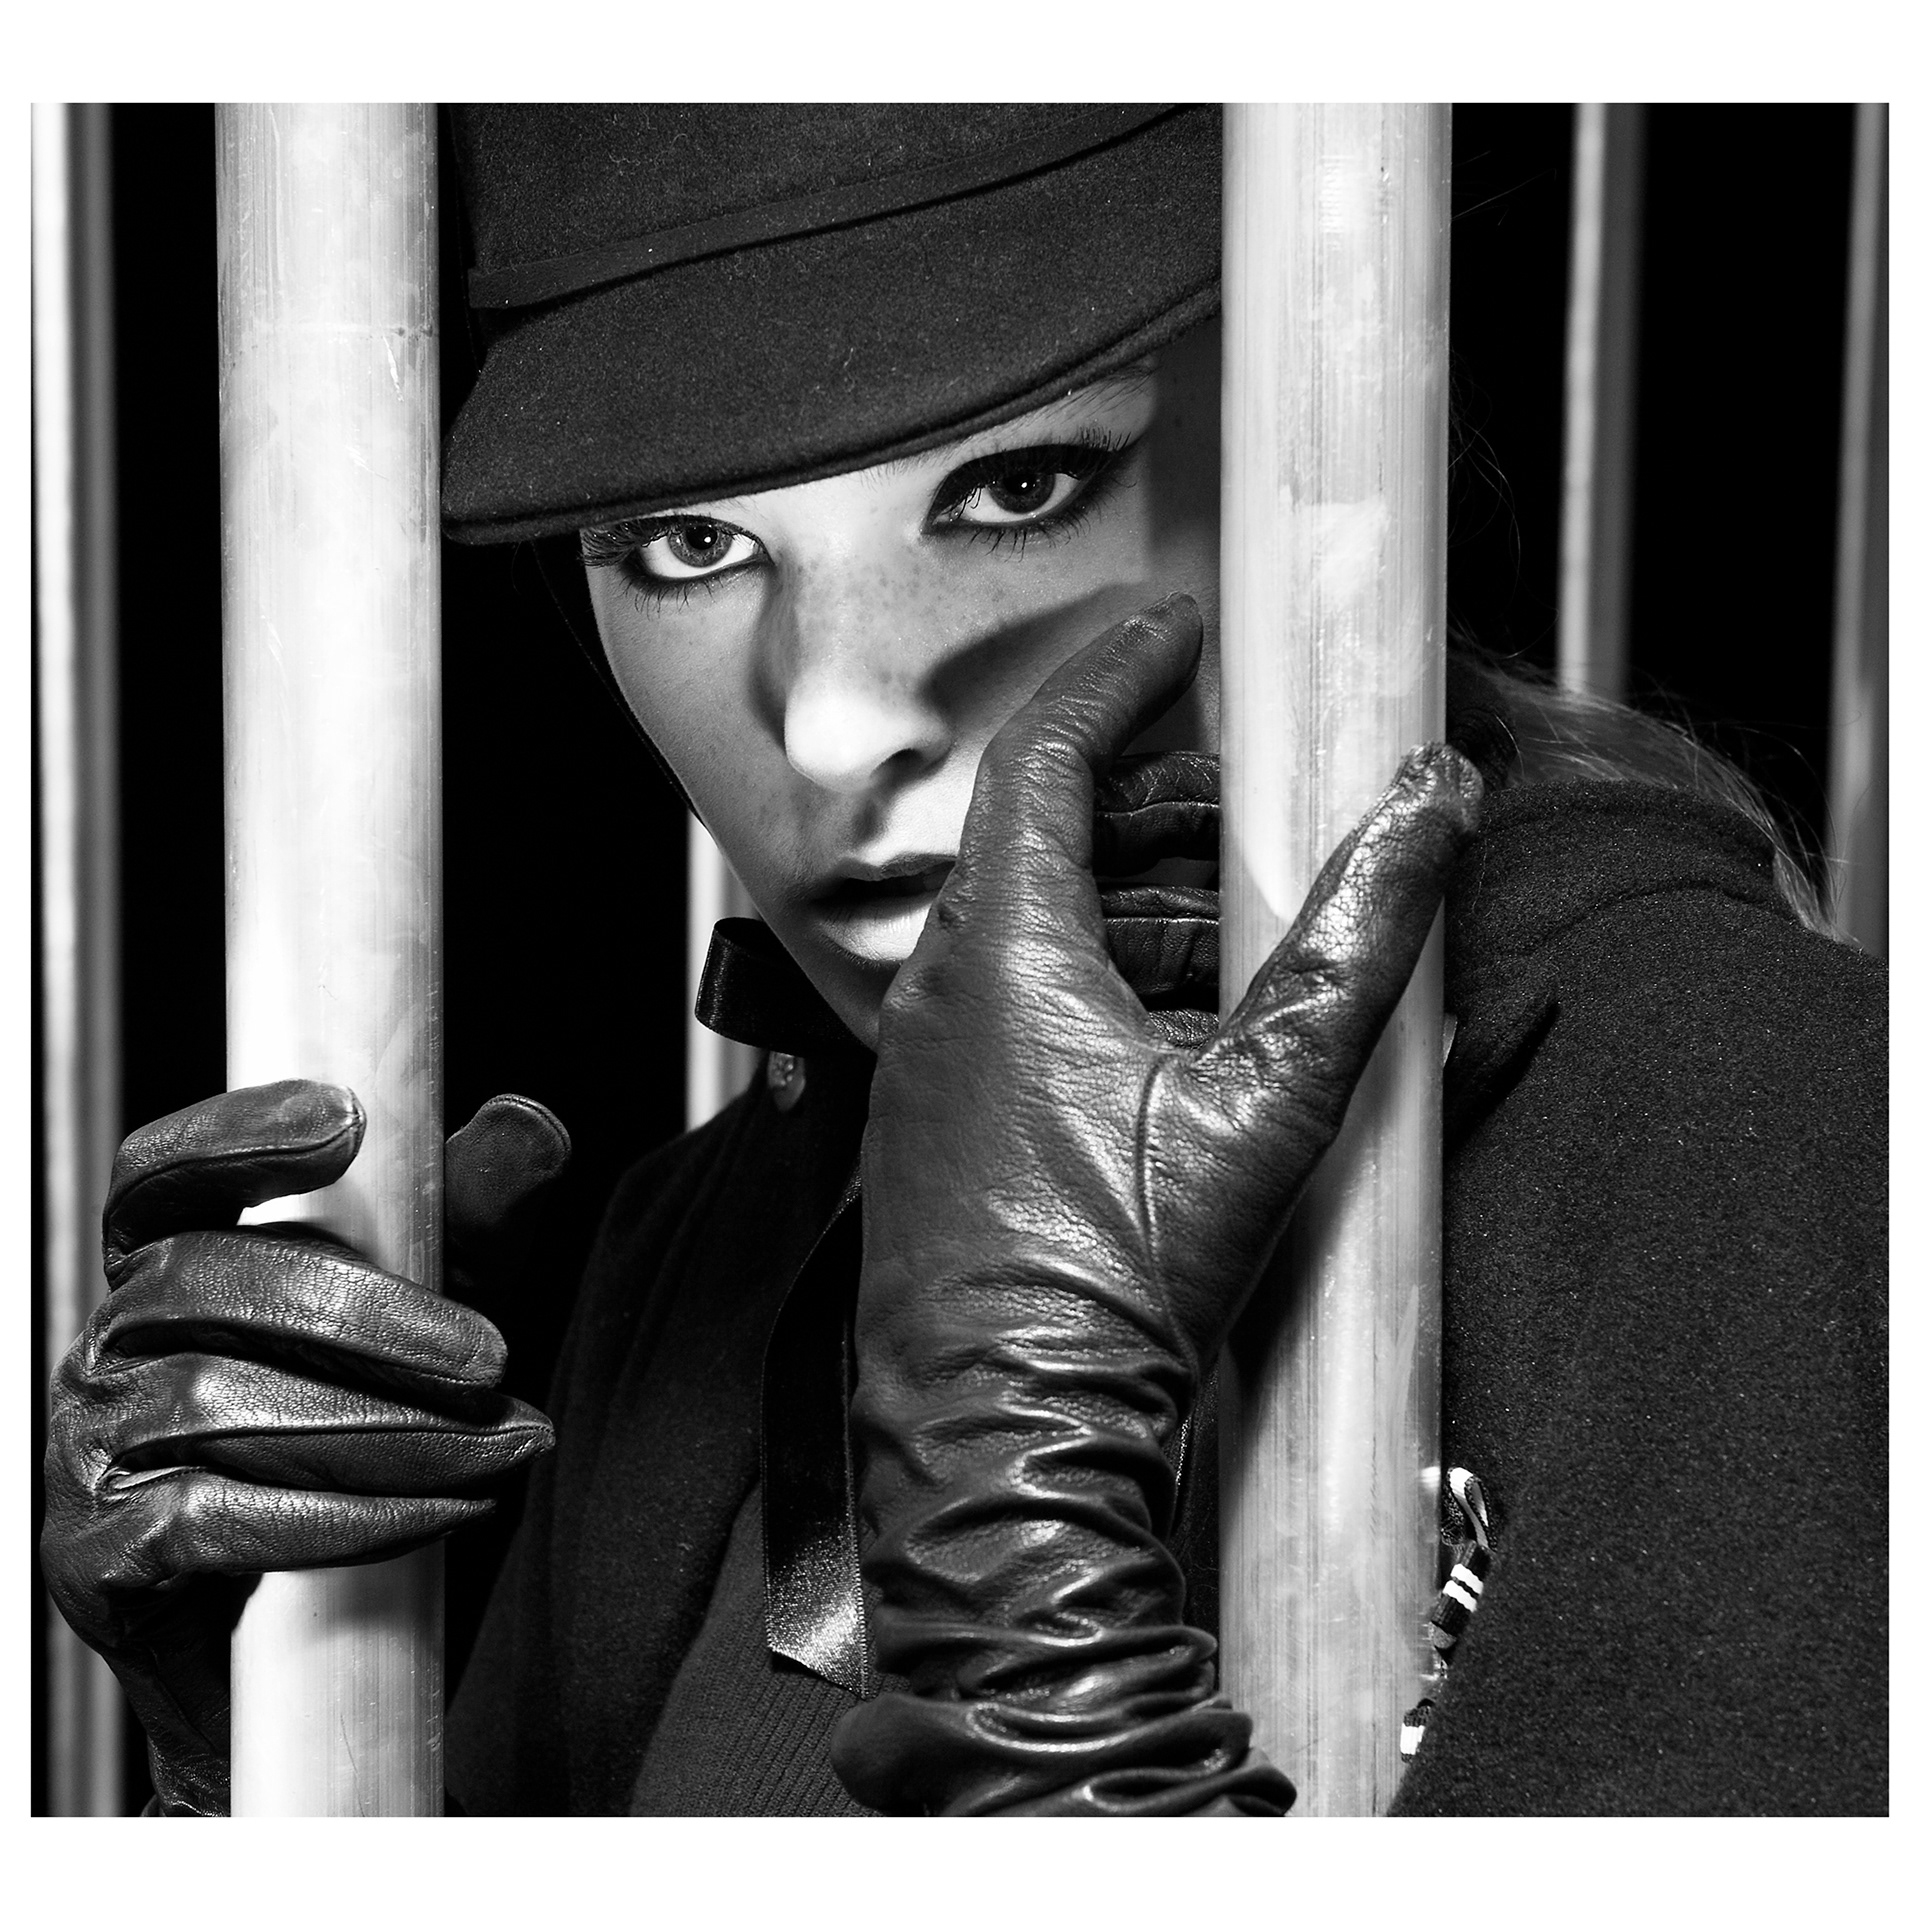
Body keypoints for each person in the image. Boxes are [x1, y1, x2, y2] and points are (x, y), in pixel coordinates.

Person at [42, 105, 1886, 1817]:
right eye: (690, 539)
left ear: (1324, 439)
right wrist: (287, 1770)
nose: (835, 718)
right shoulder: (704, 1248)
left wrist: (1030, 1588)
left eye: (1015, 484)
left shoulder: (1767, 1137)